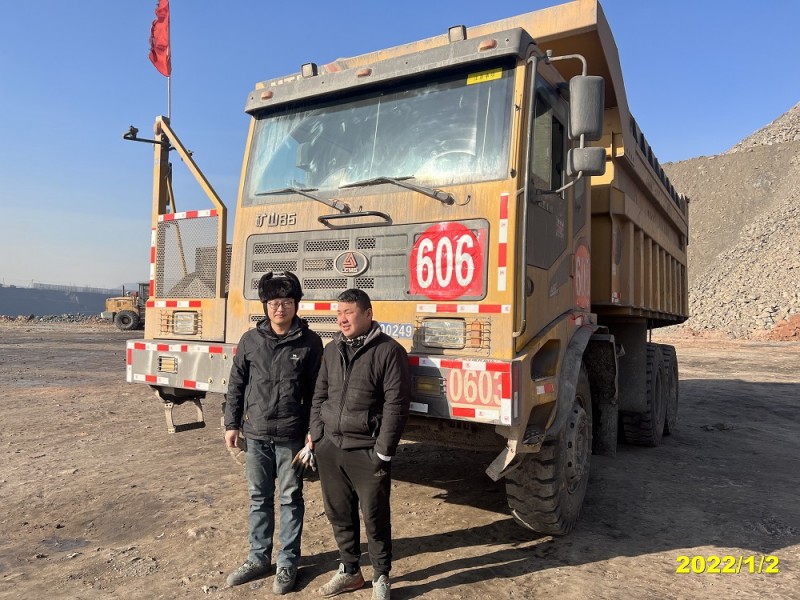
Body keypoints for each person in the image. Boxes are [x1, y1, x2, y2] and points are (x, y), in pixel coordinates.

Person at [224, 272, 323, 595]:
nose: (280, 308)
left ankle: (287, 563)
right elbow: (236, 384)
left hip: (292, 436)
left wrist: (312, 432)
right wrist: (231, 423)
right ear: (265, 305)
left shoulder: (310, 343)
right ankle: (258, 559)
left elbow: (317, 393)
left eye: (287, 302)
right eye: (274, 303)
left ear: (296, 305)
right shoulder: (250, 341)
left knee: (291, 498)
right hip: (256, 434)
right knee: (258, 498)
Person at [310, 289, 411, 600]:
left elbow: (396, 405)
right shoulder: (332, 349)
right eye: (339, 313)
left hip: (368, 450)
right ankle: (350, 571)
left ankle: (381, 576)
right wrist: (318, 436)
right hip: (331, 447)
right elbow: (320, 394)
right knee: (339, 513)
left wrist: (383, 451)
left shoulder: (389, 351)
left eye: (349, 312)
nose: (342, 319)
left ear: (368, 314)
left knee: (375, 517)